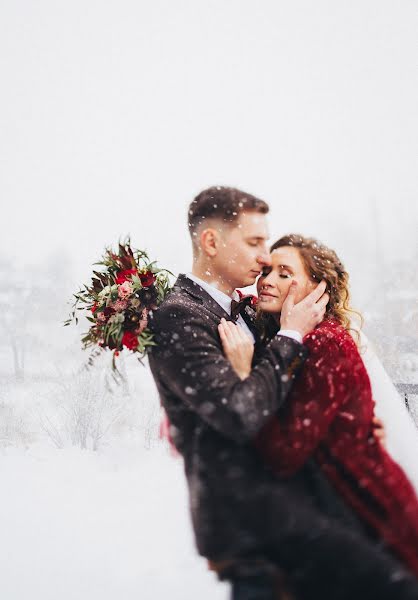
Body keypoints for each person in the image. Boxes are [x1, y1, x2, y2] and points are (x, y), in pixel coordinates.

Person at [149, 187, 418, 600]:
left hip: (308, 520)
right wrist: (287, 338)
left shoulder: (255, 320)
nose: (264, 265)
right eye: (256, 244)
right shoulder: (181, 315)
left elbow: (284, 400)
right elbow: (239, 412)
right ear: (211, 242)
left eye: (281, 269)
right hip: (256, 530)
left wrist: (345, 429)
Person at [219, 232, 418, 580]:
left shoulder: (326, 342)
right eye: (267, 271)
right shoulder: (283, 332)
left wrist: (243, 374)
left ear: (317, 289)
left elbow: (285, 451)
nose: (266, 281)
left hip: (368, 514)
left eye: (284, 273)